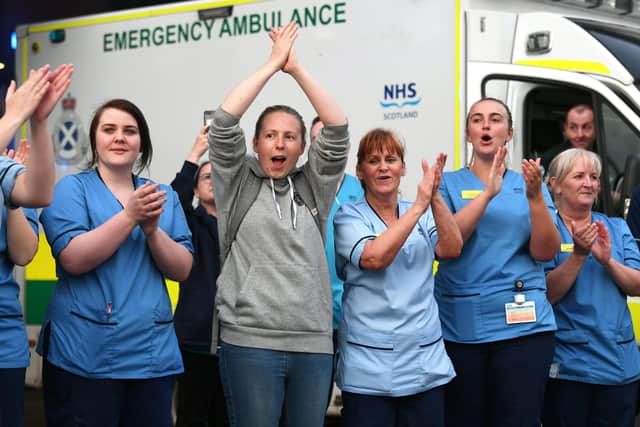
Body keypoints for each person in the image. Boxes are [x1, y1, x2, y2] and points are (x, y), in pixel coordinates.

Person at [208, 22, 348, 427]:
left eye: (290, 137)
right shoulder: (237, 184)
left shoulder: (314, 187)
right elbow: (222, 124)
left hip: (314, 345)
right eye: (270, 135)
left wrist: (297, 69)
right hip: (250, 343)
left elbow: (337, 129)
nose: (280, 144)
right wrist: (271, 65)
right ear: (256, 144)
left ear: (303, 147)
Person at [38, 98, 194, 427]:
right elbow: (74, 258)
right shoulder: (71, 190)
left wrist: (152, 232)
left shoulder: (162, 195)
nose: (119, 137)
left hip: (151, 355)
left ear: (142, 143)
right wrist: (129, 217)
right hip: (84, 352)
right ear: (95, 139)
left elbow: (181, 269)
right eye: (109, 129)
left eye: (130, 131)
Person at [435, 97, 560, 427]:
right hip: (462, 329)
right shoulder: (448, 184)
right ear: (468, 133)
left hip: (524, 329)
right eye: (477, 120)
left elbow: (545, 252)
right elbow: (448, 245)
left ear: (509, 132)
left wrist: (535, 199)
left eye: (495, 119)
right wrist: (488, 193)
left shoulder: (530, 184)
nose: (486, 125)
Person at [333, 128, 462, 427]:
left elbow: (452, 248)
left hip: (423, 362)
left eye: (391, 159)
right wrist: (419, 206)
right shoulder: (349, 216)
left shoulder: (421, 212)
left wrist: (435, 197)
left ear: (403, 168)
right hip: (369, 368)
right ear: (360, 171)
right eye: (373, 160)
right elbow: (375, 257)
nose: (383, 167)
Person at [542, 148, 640, 427]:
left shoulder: (616, 228)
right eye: (579, 176)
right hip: (569, 370)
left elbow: (637, 285)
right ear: (556, 184)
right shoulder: (546, 231)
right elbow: (547, 294)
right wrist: (578, 255)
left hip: (620, 367)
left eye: (594, 177)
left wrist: (608, 261)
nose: (589, 183)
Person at [0, 64, 73, 427]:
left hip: (3, 347)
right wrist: (14, 117)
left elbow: (39, 194)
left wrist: (38, 122)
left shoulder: (3, 164)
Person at [171, 126, 228, 427]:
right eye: (207, 177)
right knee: (192, 417)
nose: (215, 182)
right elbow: (172, 199)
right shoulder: (189, 223)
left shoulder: (241, 225)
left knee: (227, 418)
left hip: (235, 342)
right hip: (194, 340)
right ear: (195, 189)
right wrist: (195, 154)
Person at [310, 116, 363, 409]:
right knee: (312, 402)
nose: (325, 146)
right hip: (310, 316)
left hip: (355, 313)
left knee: (357, 398)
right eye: (318, 139)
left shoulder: (363, 190)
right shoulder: (296, 187)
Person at [541, 104, 595, 172]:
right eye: (573, 128)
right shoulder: (551, 160)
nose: (580, 135)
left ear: (596, 129)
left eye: (587, 127)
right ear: (566, 130)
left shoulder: (605, 155)